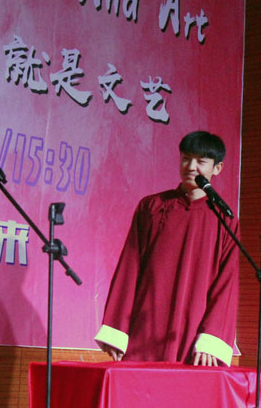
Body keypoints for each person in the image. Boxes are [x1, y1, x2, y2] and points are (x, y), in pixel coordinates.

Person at [94, 130, 240, 367]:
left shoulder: (225, 220)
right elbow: (129, 267)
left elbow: (227, 283)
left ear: (217, 168)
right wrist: (117, 329)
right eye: (186, 158)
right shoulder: (152, 207)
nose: (191, 167)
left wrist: (212, 338)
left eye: (201, 161)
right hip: (147, 323)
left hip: (193, 333)